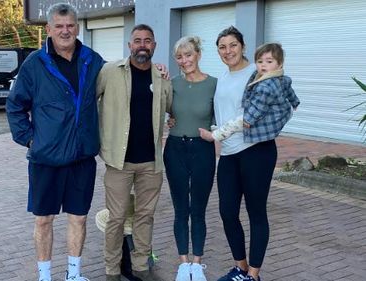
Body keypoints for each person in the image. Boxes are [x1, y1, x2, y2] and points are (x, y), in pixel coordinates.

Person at [5, 3, 104, 281]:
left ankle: (74, 275)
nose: (65, 31)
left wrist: (154, 70)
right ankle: (45, 276)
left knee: (79, 218)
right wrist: (30, 139)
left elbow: (120, 82)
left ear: (77, 27)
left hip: (82, 156)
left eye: (70, 25)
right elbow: (15, 106)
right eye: (59, 26)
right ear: (48, 29)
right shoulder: (35, 64)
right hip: (45, 158)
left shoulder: (92, 60)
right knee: (43, 219)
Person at [199, 26, 298, 281]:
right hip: (229, 154)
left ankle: (253, 275)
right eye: (222, 47)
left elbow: (275, 105)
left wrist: (217, 134)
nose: (228, 51)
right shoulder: (222, 78)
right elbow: (219, 114)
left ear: (242, 46)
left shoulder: (259, 74)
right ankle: (240, 268)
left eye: (233, 45)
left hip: (256, 152)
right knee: (227, 211)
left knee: (256, 212)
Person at [96, 24, 172, 281]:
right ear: (129, 46)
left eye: (147, 41)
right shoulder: (109, 71)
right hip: (119, 161)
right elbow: (87, 102)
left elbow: (171, 107)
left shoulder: (162, 77)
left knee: (145, 216)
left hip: (151, 163)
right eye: (137, 40)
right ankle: (111, 270)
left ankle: (140, 267)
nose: (142, 45)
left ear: (154, 46)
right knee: (116, 219)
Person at [163, 36, 217, 281]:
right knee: (180, 208)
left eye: (188, 55)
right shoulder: (171, 84)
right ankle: (183, 264)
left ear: (198, 54)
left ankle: (197, 264)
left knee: (199, 208)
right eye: (179, 57)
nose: (184, 61)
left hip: (203, 150)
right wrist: (168, 120)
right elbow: (162, 108)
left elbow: (224, 117)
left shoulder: (214, 84)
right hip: (175, 149)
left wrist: (216, 132)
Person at [199, 42, 299, 143]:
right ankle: (221, 129)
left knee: (236, 124)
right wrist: (295, 103)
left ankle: (215, 135)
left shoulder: (265, 87)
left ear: (280, 64)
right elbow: (290, 92)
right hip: (276, 116)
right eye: (260, 62)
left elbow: (252, 113)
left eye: (269, 62)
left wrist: (247, 120)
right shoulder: (281, 78)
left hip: (264, 124)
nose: (263, 65)